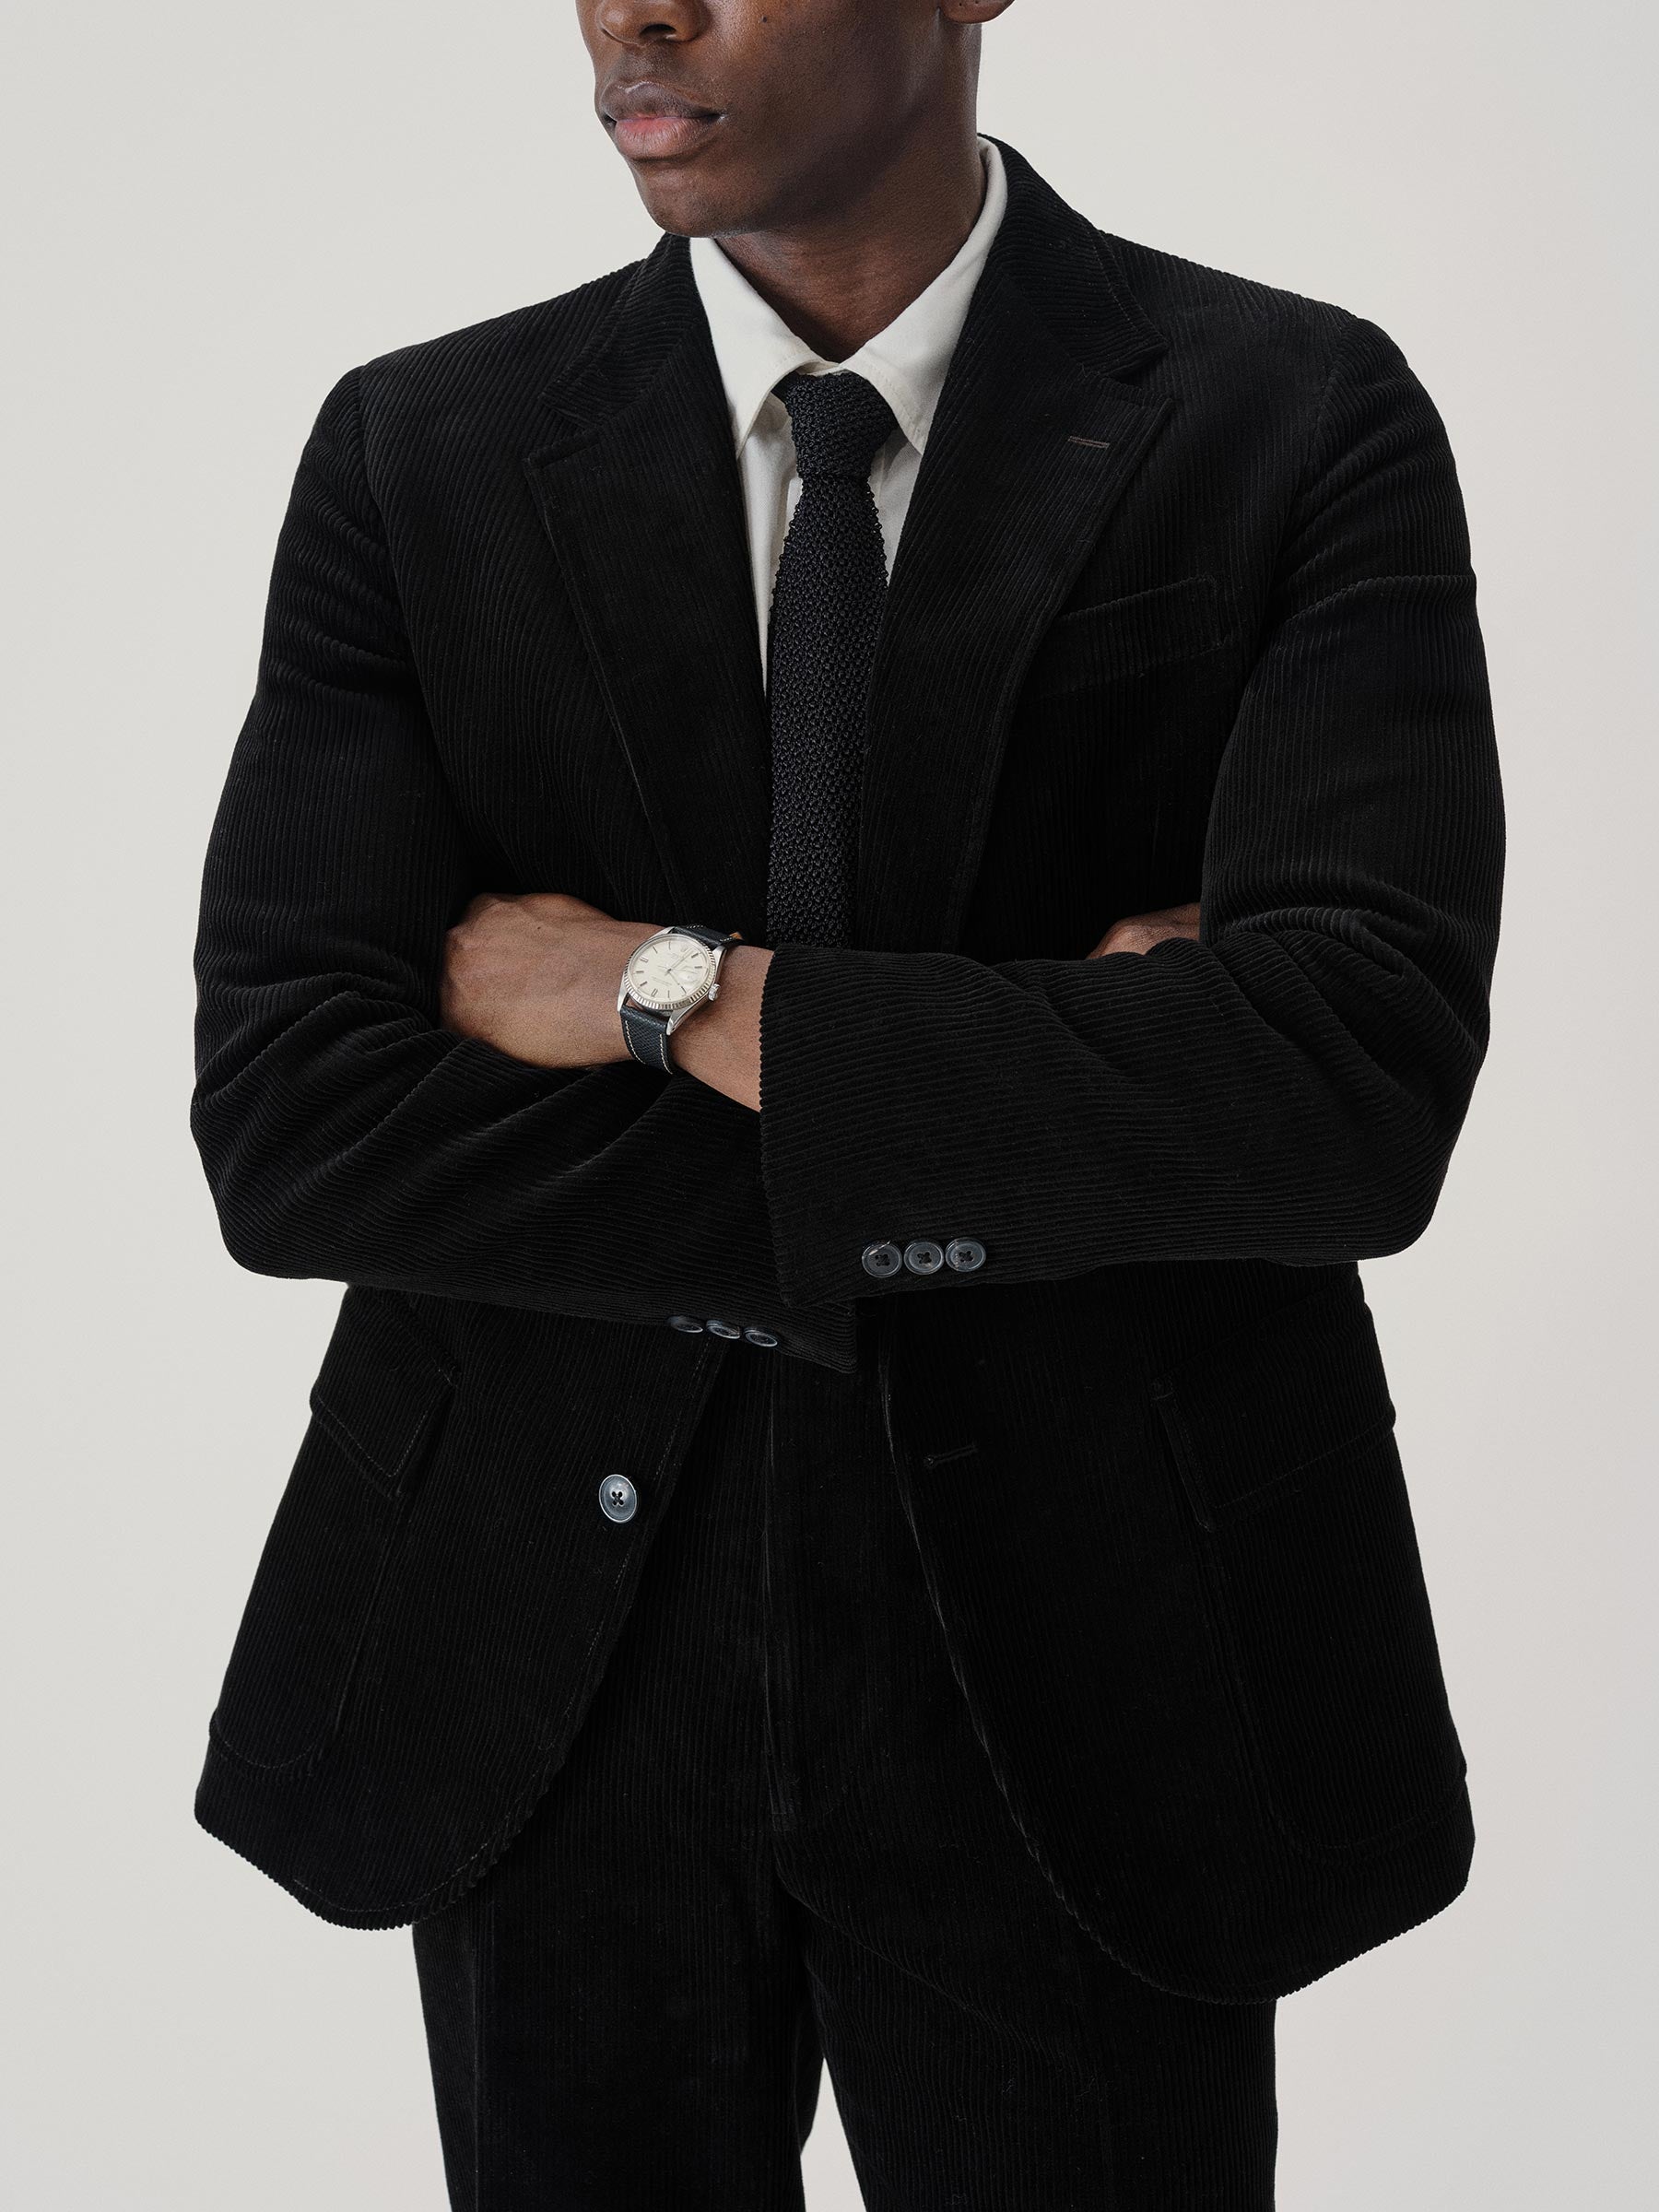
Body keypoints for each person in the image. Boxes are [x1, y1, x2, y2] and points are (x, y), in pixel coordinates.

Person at [189, 3, 1504, 2204]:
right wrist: (1054, 1093)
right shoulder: (422, 452)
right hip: (550, 1659)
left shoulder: (1292, 416)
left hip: (1104, 1653)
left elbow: (1342, 1096)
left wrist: (655, 992)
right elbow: (299, 1125)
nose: (636, 12)